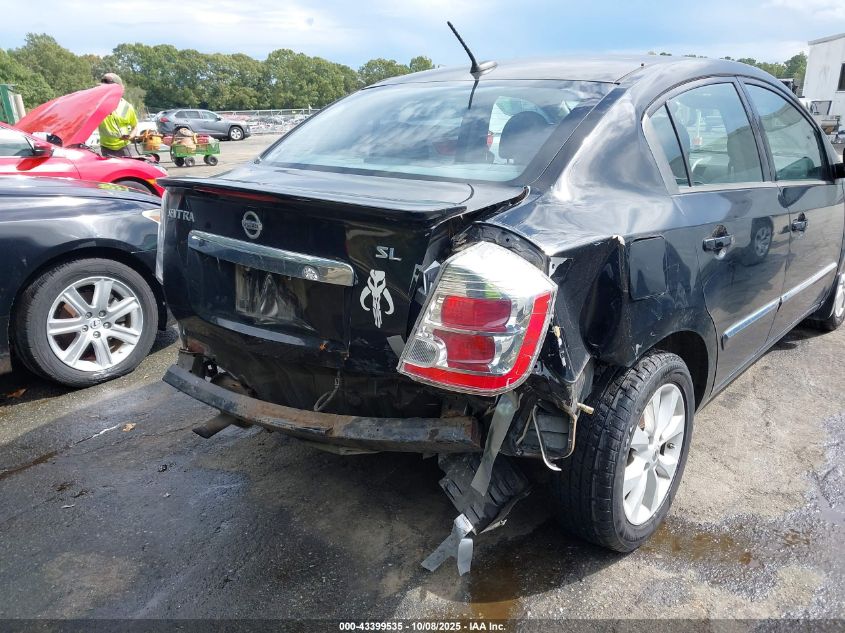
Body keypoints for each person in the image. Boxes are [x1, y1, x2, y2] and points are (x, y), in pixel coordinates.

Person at [98, 73, 139, 158]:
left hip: (124, 147)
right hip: (106, 148)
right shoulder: (98, 105)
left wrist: (130, 136)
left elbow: (134, 126)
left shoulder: (127, 107)